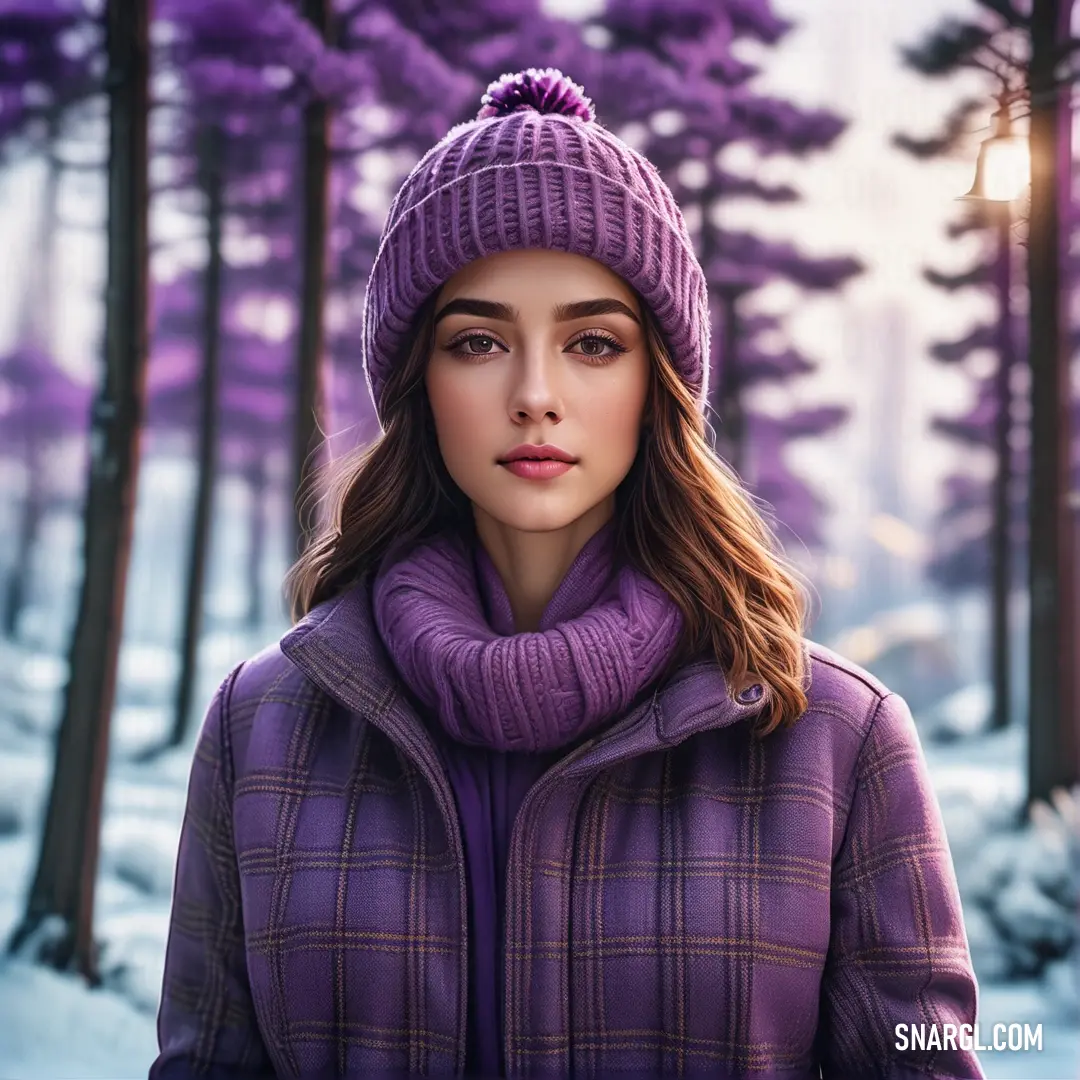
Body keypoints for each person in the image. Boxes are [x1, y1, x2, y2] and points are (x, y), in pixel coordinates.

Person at [151, 68, 984, 1080]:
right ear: (420, 381)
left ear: (657, 384)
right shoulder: (264, 729)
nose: (535, 394)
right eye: (479, 341)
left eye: (593, 342)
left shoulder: (836, 742)